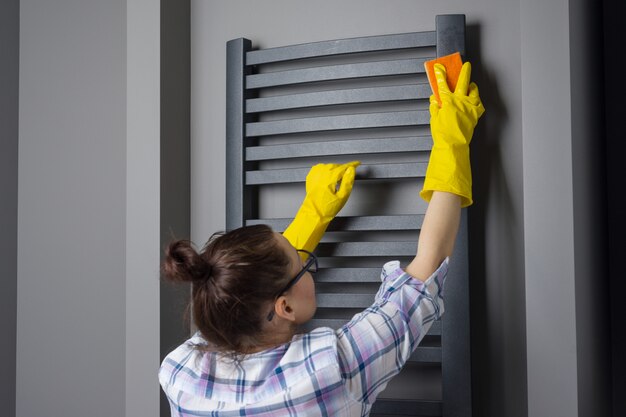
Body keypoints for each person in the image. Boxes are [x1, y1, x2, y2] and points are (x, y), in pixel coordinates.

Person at [159, 62, 485, 416]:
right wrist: (452, 140)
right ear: (284, 307)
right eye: (304, 262)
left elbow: (229, 307)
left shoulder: (180, 371)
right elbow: (427, 266)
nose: (307, 261)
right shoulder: (332, 370)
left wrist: (314, 213)